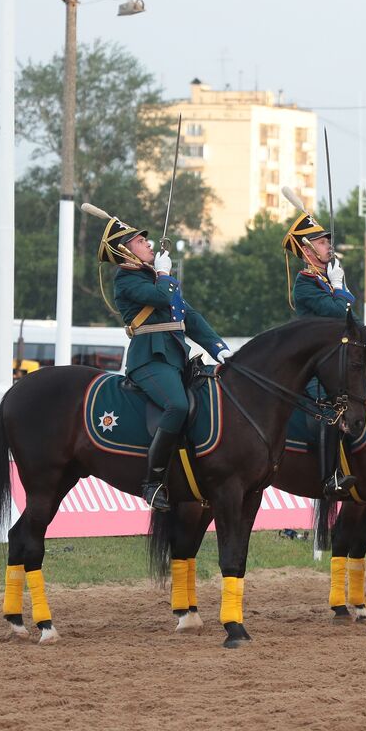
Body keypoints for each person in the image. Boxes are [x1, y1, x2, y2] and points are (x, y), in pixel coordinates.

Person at [102, 215, 231, 512]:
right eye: (139, 241)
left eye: (145, 239)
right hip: (149, 359)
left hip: (177, 357)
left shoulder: (156, 278)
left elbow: (191, 317)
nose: (148, 243)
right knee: (178, 406)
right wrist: (164, 275)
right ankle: (153, 482)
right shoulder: (127, 279)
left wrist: (220, 349)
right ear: (125, 251)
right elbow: (162, 297)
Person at [283, 208, 359, 499]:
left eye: (328, 241)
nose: (329, 246)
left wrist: (338, 286)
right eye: (323, 242)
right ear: (307, 249)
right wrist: (339, 287)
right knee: (326, 414)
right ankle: (330, 479)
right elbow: (341, 312)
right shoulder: (305, 285)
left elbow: (350, 311)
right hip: (312, 363)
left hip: (336, 359)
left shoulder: (326, 280)